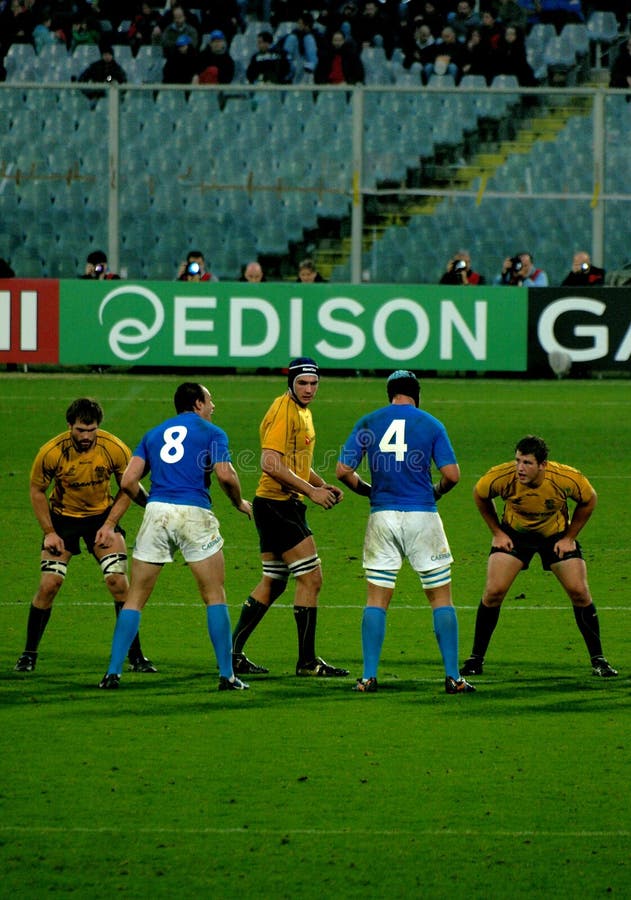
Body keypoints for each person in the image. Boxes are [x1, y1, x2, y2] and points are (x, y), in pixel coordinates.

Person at [99, 382, 252, 690]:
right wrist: (238, 502)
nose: (213, 407)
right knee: (214, 595)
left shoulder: (153, 434)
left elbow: (128, 480)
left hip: (157, 513)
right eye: (210, 401)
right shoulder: (213, 433)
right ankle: (227, 675)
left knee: (136, 597)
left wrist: (150, 502)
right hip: (194, 514)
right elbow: (225, 474)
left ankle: (113, 673)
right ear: (197, 403)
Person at [335, 370, 475, 695]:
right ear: (417, 394)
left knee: (376, 599)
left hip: (381, 516)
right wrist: (435, 491)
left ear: (390, 394)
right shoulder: (431, 424)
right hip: (422, 515)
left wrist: (370, 492)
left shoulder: (370, 421)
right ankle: (453, 677)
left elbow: (342, 470)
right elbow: (453, 475)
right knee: (440, 597)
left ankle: (368, 676)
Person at [14, 398, 155, 674]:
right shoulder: (51, 452)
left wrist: (111, 524)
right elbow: (37, 491)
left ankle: (136, 656)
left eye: (91, 430)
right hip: (62, 521)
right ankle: (28, 654)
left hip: (102, 518)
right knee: (49, 585)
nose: (86, 437)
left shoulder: (113, 447)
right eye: (80, 430)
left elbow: (128, 486)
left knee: (119, 584)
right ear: (70, 426)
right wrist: (50, 532)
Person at [460, 435, 618, 679]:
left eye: (527, 463)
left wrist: (570, 537)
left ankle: (599, 660)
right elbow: (479, 495)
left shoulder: (565, 478)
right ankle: (475, 660)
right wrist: (497, 533)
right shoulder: (502, 476)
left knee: (579, 591)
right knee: (493, 592)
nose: (520, 468)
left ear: (543, 464)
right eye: (518, 461)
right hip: (515, 535)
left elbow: (589, 500)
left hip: (555, 537)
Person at [231, 358, 349, 678]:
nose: (309, 389)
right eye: (302, 383)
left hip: (275, 505)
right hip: (278, 506)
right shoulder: (285, 412)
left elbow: (294, 460)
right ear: (291, 383)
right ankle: (307, 662)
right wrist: (311, 493)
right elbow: (270, 463)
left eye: (313, 383)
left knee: (273, 582)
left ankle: (232, 654)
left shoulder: (301, 411)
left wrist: (319, 483)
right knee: (311, 579)